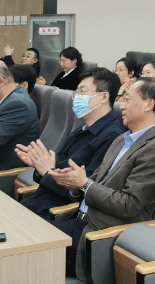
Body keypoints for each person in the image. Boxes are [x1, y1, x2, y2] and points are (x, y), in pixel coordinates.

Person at [45, 77, 155, 280]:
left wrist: (84, 184)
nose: (121, 105)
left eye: (128, 100)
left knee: (28, 242)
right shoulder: (122, 138)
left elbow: (129, 204)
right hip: (79, 221)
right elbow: (94, 181)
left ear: (148, 104)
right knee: (25, 227)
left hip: (98, 236)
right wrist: (74, 185)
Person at [17, 68, 128, 217]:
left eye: (82, 91)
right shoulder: (83, 128)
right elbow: (60, 163)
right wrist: (39, 163)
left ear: (103, 97)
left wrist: (47, 172)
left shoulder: (114, 136)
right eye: (76, 92)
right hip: (39, 201)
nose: (76, 97)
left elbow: (82, 188)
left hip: (56, 213)